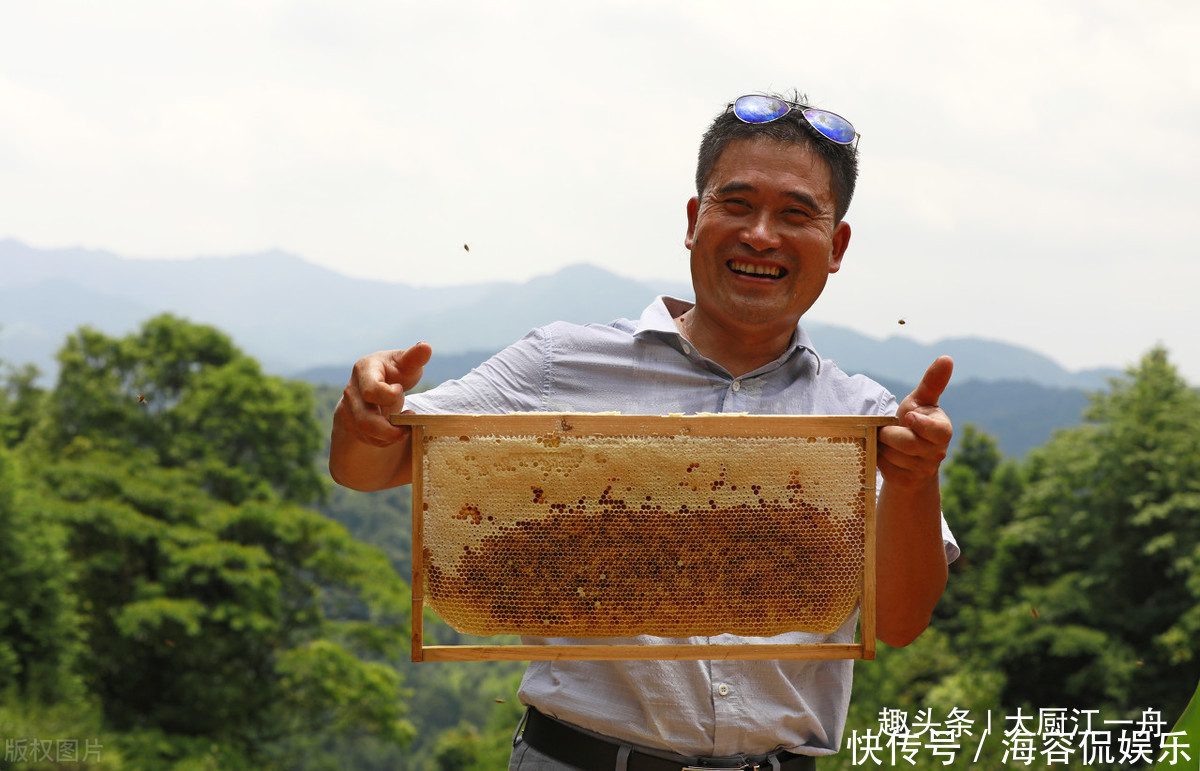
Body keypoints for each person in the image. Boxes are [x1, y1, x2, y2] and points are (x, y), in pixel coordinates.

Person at [329, 91, 959, 770]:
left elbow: (900, 619)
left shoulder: (860, 412)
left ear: (835, 247)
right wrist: (364, 413)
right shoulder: (558, 363)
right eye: (737, 204)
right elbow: (369, 465)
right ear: (694, 220)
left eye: (796, 215)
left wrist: (916, 479)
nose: (761, 235)